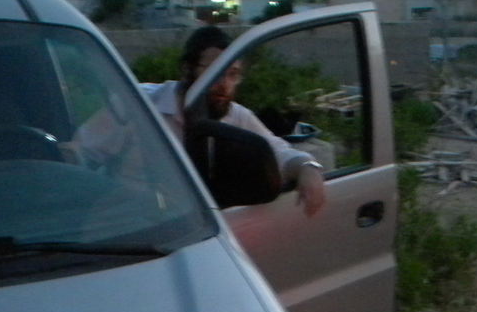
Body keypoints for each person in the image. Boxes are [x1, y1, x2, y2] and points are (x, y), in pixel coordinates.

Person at [78, 26, 326, 216]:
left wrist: (308, 168)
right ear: (187, 69)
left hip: (199, 227)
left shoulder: (235, 115)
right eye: (215, 72)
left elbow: (278, 152)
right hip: (130, 225)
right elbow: (81, 153)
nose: (225, 84)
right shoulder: (138, 105)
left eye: (233, 75)